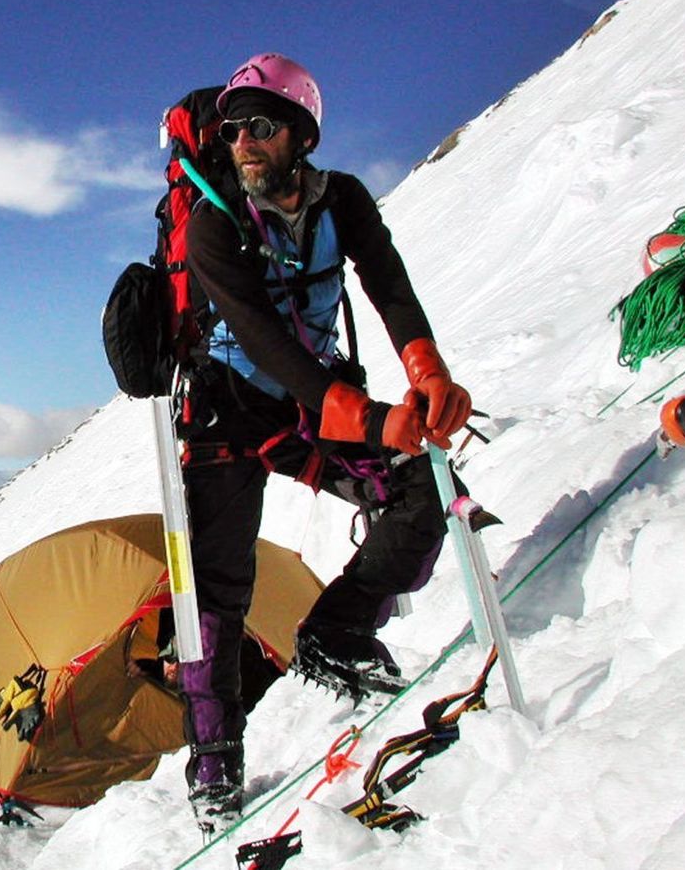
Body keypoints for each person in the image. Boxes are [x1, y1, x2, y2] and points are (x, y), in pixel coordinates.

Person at [176, 52, 472, 834]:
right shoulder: (211, 223)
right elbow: (263, 340)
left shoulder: (343, 201)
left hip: (313, 407)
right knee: (215, 592)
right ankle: (214, 757)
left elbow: (389, 284)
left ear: (300, 135)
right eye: (233, 128)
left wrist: (426, 368)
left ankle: (337, 632)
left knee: (425, 487)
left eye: (260, 127)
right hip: (228, 416)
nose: (241, 141)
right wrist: (365, 416)